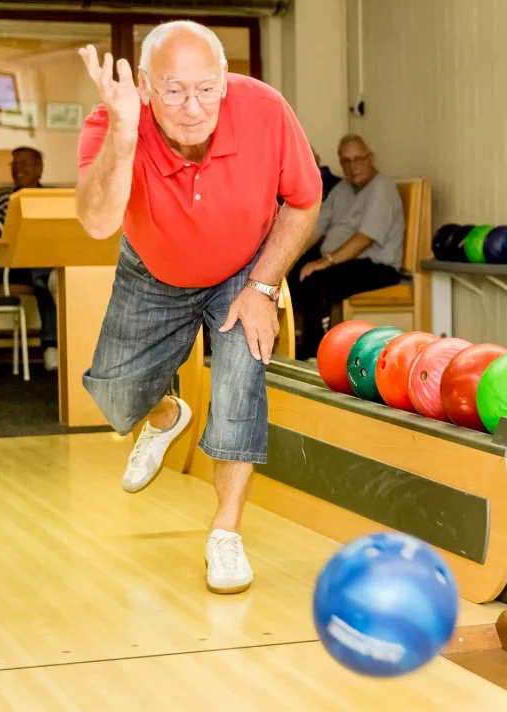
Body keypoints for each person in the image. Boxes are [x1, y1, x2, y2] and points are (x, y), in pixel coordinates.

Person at [75, 21, 322, 594]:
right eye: (173, 90)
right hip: (155, 268)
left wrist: (263, 288)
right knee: (113, 398)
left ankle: (225, 533)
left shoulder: (264, 110)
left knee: (239, 384)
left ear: (225, 81)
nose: (192, 108)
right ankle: (166, 414)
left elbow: (304, 201)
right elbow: (96, 221)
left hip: (244, 267)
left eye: (206, 89)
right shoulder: (112, 124)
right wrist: (123, 132)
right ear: (143, 85)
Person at [287, 134, 405, 359]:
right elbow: (315, 229)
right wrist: (288, 257)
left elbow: (364, 239)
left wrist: (324, 262)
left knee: (316, 281)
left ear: (370, 158)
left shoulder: (382, 188)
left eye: (358, 159)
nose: (353, 166)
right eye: (347, 161)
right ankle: (291, 342)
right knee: (290, 276)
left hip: (377, 266)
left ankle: (315, 350)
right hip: (344, 262)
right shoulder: (342, 189)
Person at [0, 147, 59, 372]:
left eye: (25, 163)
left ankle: (63, 346)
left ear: (39, 169)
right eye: (15, 164)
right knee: (45, 276)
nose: (19, 168)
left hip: (46, 263)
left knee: (47, 274)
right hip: (12, 266)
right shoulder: (1, 198)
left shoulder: (53, 198)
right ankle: (51, 346)